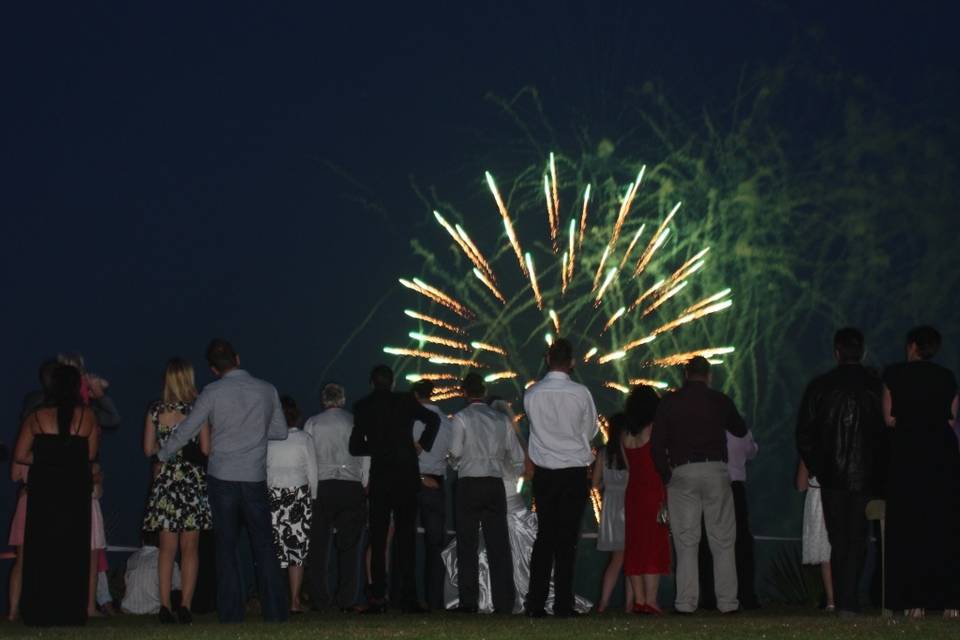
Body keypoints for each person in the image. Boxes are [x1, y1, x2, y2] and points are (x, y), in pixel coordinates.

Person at [156, 338, 289, 623]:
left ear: (214, 370)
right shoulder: (267, 389)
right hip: (253, 477)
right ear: (238, 359)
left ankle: (231, 614)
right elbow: (280, 431)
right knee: (264, 546)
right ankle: (276, 612)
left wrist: (163, 453)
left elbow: (188, 427)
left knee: (225, 548)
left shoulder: (212, 392)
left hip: (222, 477)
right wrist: (252, 433)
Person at [795, 328, 884, 617]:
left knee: (838, 538)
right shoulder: (875, 386)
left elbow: (804, 434)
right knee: (858, 538)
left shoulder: (820, 386)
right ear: (863, 351)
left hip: (831, 476)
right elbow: (884, 433)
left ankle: (844, 600)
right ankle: (850, 599)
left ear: (836, 352)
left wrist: (819, 466)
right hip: (864, 475)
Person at [651, 356, 747, 614]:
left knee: (685, 542)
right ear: (709, 375)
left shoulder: (669, 402)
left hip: (682, 472)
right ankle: (728, 603)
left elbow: (657, 444)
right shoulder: (720, 400)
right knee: (723, 541)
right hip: (715, 470)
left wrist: (666, 474)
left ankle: (685, 603)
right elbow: (740, 429)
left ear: (685, 374)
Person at [882, 326, 960, 619]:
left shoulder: (893, 374)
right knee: (945, 525)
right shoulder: (947, 377)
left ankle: (911, 600)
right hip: (942, 454)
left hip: (908, 453)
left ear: (913, 346)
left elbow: (889, 417)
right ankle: (951, 600)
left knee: (908, 526)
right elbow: (952, 421)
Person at [350, 365, 440, 613]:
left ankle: (378, 596)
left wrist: (379, 448)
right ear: (392, 381)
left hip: (381, 477)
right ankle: (409, 597)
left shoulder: (362, 407)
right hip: (406, 476)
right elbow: (433, 419)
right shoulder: (404, 400)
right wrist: (420, 445)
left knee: (378, 539)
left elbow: (355, 446)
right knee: (406, 537)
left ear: (371, 383)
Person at [14, 364, 99, 626]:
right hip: (74, 492)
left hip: (45, 492)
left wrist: (45, 459)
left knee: (42, 551)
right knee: (73, 551)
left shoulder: (36, 418)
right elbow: (90, 455)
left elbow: (20, 455)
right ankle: (72, 611)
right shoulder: (88, 417)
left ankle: (39, 611)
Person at [523, 339, 599, 617]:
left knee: (545, 538)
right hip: (573, 473)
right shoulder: (581, 393)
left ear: (547, 359)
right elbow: (590, 430)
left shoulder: (531, 394)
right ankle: (563, 604)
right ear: (572, 362)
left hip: (545, 474)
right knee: (568, 540)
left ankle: (535, 603)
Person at [141, 357, 213, 624]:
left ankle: (164, 605)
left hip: (167, 480)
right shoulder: (197, 410)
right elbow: (206, 449)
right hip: (191, 480)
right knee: (190, 548)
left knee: (166, 548)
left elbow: (148, 450)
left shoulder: (155, 410)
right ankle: (185, 604)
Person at [448, 373, 524, 614]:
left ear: (464, 393)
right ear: (484, 391)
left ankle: (468, 601)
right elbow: (517, 457)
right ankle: (504, 601)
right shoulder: (501, 419)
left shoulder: (460, 418)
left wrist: (455, 464)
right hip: (494, 483)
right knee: (498, 545)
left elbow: (455, 452)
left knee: (467, 544)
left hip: (469, 483)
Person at [303, 383, 368, 612]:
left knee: (318, 547)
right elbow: (364, 455)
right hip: (350, 486)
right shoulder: (354, 421)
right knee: (349, 547)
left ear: (324, 400)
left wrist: (311, 489)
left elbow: (308, 458)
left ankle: (320, 599)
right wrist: (364, 482)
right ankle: (346, 598)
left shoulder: (313, 422)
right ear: (342, 399)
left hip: (322, 486)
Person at [266, 395, 318, 614]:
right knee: (296, 553)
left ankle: (275, 599)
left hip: (273, 497)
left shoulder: (267, 439)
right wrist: (312, 498)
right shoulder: (304, 438)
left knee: (274, 551)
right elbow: (312, 472)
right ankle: (294, 601)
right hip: (298, 496)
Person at [622, 389, 671, 614]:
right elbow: (663, 464)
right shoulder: (654, 430)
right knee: (654, 544)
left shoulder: (625, 435)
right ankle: (651, 600)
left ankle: (639, 600)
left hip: (633, 494)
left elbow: (630, 467)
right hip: (653, 493)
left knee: (635, 545)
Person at [411, 380, 453, 611]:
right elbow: (453, 453)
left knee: (404, 541)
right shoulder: (447, 422)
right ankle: (434, 598)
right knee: (435, 544)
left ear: (416, 395)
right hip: (436, 481)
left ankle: (403, 596)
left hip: (411, 480)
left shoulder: (412, 420)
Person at [592, 413, 632, 613]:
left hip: (611, 507)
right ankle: (629, 604)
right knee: (631, 558)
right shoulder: (632, 452)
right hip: (630, 505)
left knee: (616, 559)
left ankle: (604, 603)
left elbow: (595, 484)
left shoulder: (604, 454)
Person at [726, 429, 760, 609]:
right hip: (736, 486)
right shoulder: (739, 430)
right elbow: (752, 451)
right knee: (742, 543)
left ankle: (712, 594)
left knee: (711, 541)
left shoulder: (709, 426)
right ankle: (746, 594)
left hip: (713, 488)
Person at [796, 459, 834, 611]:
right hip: (837, 498)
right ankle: (838, 597)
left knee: (826, 555)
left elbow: (801, 485)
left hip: (819, 500)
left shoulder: (809, 452)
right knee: (832, 552)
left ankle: (831, 600)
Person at [120, 532, 182, 615]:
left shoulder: (132, 557)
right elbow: (178, 585)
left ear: (142, 540)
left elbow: (126, 582)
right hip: (155, 608)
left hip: (128, 608)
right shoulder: (168, 559)